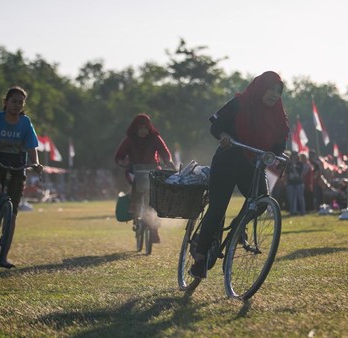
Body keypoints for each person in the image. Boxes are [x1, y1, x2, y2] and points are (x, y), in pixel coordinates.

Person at [190, 71, 289, 278]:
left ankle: (237, 229)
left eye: (278, 91)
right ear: (261, 87)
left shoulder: (279, 117)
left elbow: (280, 142)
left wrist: (277, 154)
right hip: (227, 160)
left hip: (253, 165)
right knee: (217, 208)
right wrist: (224, 135)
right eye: (271, 88)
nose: (274, 94)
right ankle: (200, 257)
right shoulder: (239, 103)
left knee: (261, 201)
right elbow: (216, 125)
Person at [0, 86, 43, 269]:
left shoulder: (25, 122)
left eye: (20, 102)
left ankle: (3, 257)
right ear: (6, 102)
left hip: (17, 164)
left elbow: (31, 147)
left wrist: (35, 163)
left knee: (11, 214)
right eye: (14, 101)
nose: (17, 105)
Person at [115, 113, 174, 243]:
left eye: (145, 128)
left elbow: (165, 153)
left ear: (149, 128)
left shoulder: (155, 138)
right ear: (135, 128)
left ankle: (154, 230)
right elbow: (119, 156)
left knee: (154, 198)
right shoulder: (129, 140)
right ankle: (134, 206)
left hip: (152, 171)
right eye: (140, 128)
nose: (143, 131)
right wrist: (122, 163)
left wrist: (168, 161)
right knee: (138, 182)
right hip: (133, 171)